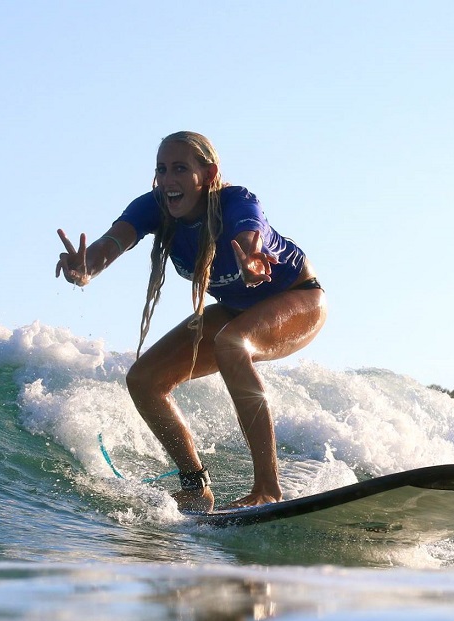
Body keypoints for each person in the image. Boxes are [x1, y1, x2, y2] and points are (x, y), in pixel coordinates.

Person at [55, 131, 326, 512]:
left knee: (232, 344)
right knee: (145, 380)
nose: (168, 180)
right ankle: (195, 486)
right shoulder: (153, 208)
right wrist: (84, 269)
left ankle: (267, 488)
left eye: (180, 168)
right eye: (162, 169)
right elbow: (108, 246)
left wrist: (250, 258)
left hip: (298, 298)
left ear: (208, 173)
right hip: (235, 309)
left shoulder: (236, 201)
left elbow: (251, 235)